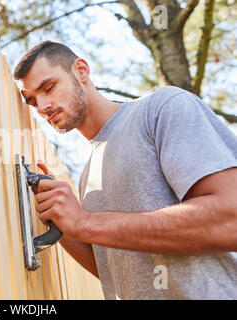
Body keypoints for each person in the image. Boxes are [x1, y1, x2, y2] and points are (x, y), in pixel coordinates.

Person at [13, 40, 237, 299]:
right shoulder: (86, 177)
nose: (42, 106)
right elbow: (115, 269)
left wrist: (85, 222)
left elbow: (230, 219)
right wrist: (62, 221)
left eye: (49, 87)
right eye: (32, 102)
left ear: (81, 70)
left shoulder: (161, 109)